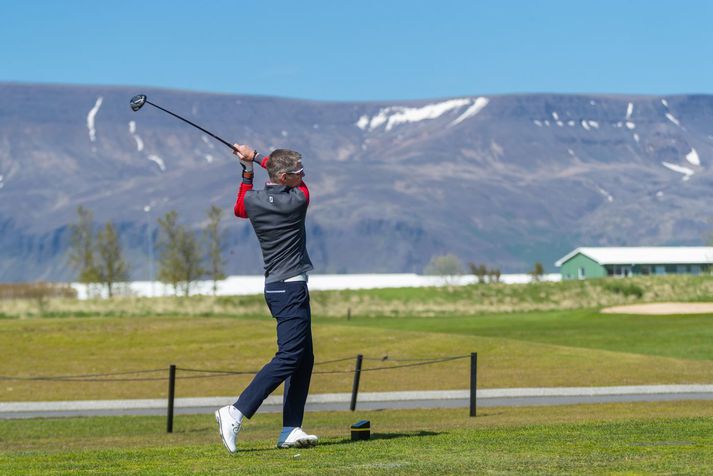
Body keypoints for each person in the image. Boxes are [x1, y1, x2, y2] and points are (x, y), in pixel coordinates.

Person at [215, 144, 317, 454]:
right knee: (289, 356)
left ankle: (290, 428)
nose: (303, 177)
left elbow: (239, 209)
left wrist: (247, 169)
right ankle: (235, 412)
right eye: (298, 173)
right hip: (290, 289)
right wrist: (255, 156)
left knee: (303, 358)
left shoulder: (253, 200)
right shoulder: (297, 201)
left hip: (276, 287)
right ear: (284, 177)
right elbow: (303, 188)